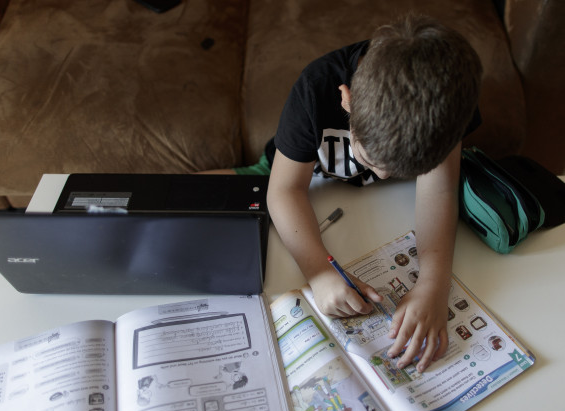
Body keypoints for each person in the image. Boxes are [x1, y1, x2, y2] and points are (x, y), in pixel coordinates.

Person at [207, 14, 482, 373]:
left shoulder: (445, 110)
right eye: (369, 158)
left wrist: (434, 284)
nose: (380, 174)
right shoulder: (315, 88)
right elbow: (284, 189)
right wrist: (319, 273)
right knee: (206, 191)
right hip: (297, 170)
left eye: (401, 170)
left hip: (380, 204)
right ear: (346, 101)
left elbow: (440, 189)